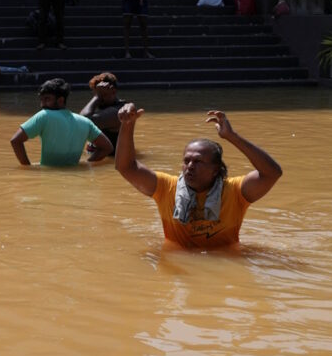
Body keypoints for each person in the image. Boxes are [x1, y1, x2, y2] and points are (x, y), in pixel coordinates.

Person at [115, 106, 283, 249]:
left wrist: (232, 136)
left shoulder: (235, 191)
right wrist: (127, 125)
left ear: (216, 170)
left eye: (198, 161)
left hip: (223, 263)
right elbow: (126, 167)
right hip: (179, 269)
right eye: (186, 161)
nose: (190, 166)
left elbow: (272, 173)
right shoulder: (166, 188)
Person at [10, 78, 113, 166]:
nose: (42, 104)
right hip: (75, 179)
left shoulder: (44, 115)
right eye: (41, 100)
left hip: (49, 178)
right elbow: (107, 148)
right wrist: (87, 164)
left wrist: (28, 168)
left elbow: (15, 140)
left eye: (47, 99)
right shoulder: (85, 121)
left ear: (60, 100)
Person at [79, 72, 128, 155]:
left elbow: (82, 121)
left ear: (113, 91)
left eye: (102, 95)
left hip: (110, 161)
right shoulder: (106, 106)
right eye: (96, 94)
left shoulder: (118, 111)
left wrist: (97, 97)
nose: (99, 100)